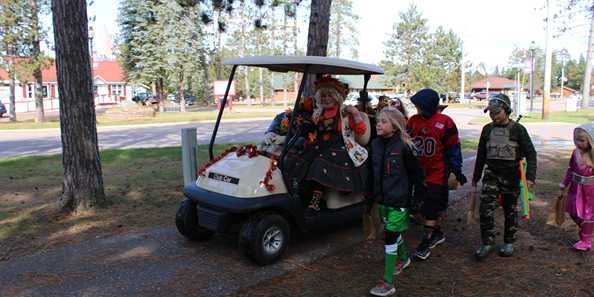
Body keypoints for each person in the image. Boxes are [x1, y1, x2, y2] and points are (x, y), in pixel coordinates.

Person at [472, 93, 537, 260]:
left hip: (511, 174)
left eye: (497, 112)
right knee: (485, 208)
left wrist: (530, 178)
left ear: (506, 111)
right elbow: (481, 154)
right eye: (491, 113)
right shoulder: (487, 129)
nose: (494, 116)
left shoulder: (518, 130)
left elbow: (531, 154)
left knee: (510, 209)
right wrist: (476, 176)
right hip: (491, 173)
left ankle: (509, 242)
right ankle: (487, 242)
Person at [290, 76, 369, 214]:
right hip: (320, 145)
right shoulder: (319, 113)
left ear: (337, 96)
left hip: (341, 147)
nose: (326, 99)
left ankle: (315, 201)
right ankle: (299, 193)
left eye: (330, 95)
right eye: (323, 95)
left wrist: (356, 115)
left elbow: (361, 131)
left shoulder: (345, 112)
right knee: (297, 157)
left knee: (320, 163)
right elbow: (313, 130)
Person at [369, 106, 425, 296]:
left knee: (390, 237)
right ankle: (403, 258)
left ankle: (388, 282)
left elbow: (417, 175)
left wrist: (417, 199)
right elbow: (372, 173)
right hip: (382, 200)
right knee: (392, 233)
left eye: (383, 121)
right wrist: (370, 197)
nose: (378, 124)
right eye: (378, 121)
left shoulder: (405, 146)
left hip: (399, 201)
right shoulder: (375, 144)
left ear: (395, 126)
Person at [407, 88, 466, 260]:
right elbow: (407, 144)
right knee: (420, 207)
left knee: (431, 208)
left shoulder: (445, 122)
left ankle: (425, 242)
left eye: (419, 106)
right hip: (420, 172)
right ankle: (437, 233)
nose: (417, 109)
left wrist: (456, 169)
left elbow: (454, 148)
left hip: (438, 172)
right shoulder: (413, 121)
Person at [560, 124, 594, 251]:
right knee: (574, 212)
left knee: (588, 214)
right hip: (575, 189)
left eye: (582, 140)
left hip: (590, 192)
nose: (578, 143)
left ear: (590, 140)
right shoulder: (575, 154)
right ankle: (585, 229)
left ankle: (586, 240)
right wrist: (564, 183)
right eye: (576, 140)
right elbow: (570, 170)